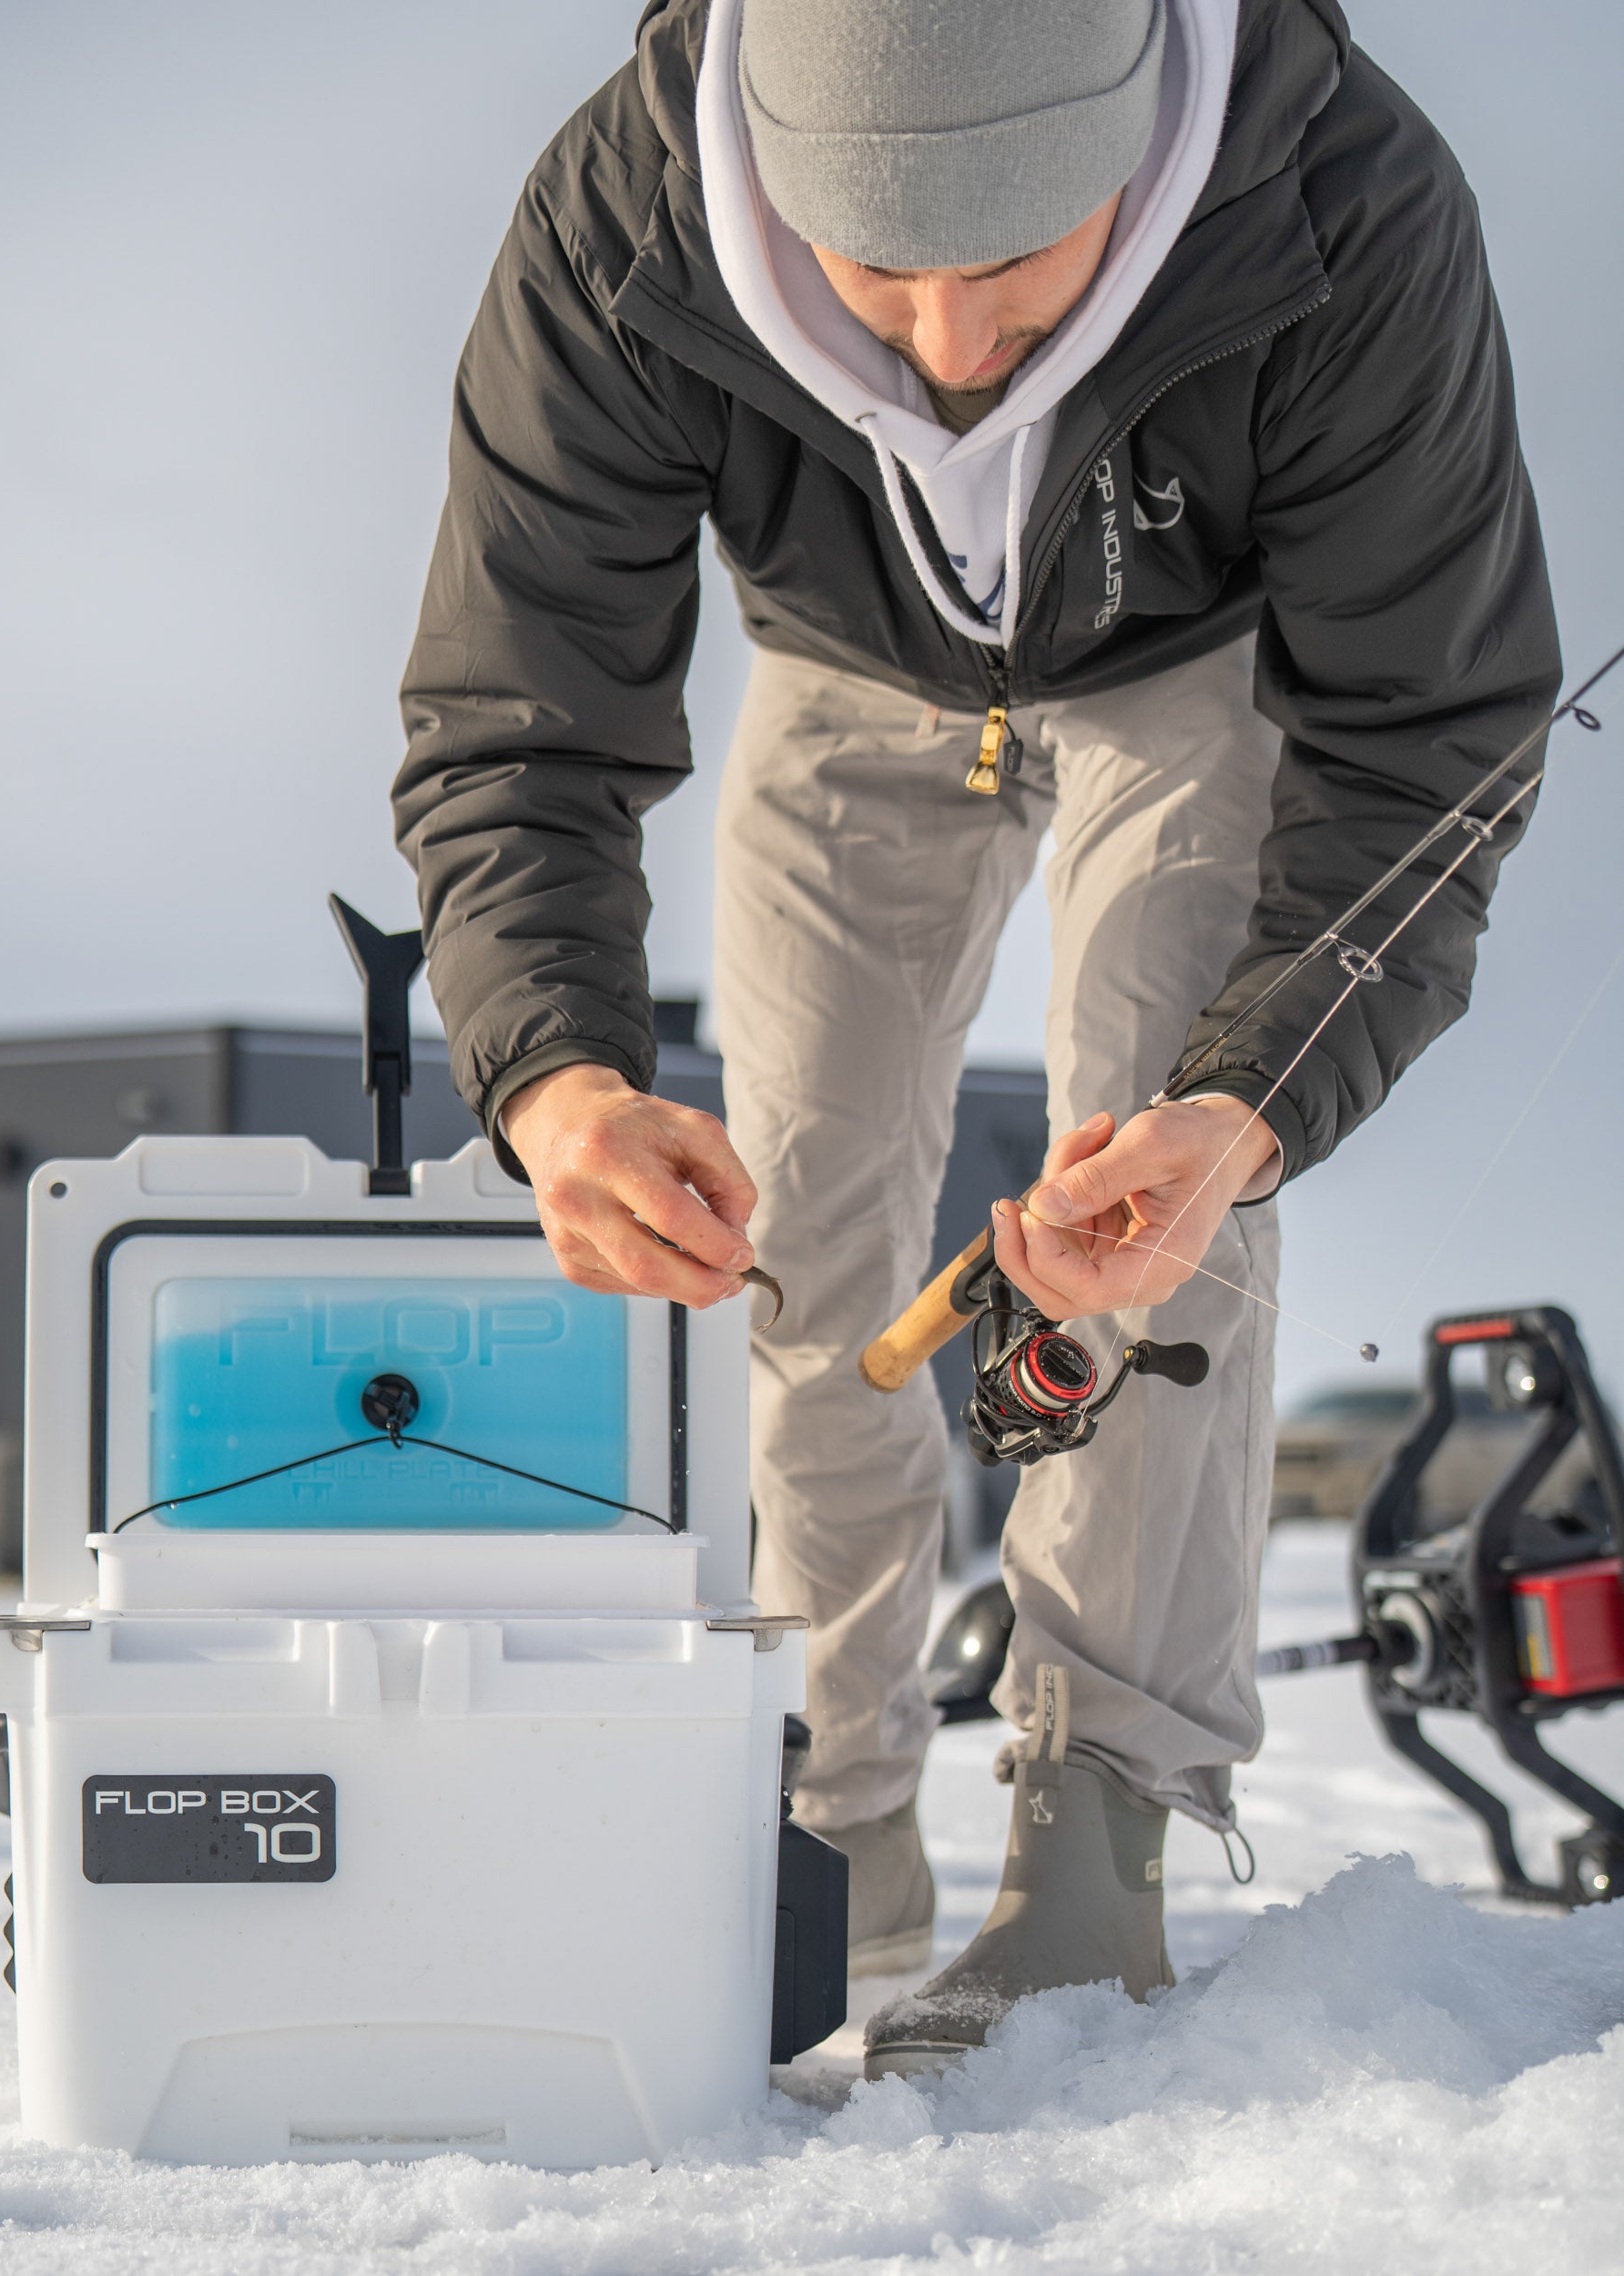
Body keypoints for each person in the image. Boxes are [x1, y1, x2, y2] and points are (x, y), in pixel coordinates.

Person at [391, 0, 1558, 2076]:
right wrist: (554, 1078)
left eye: (1015, 260)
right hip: (841, 676)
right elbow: (518, 718)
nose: (947, 345)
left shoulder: (1346, 200)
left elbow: (1424, 743)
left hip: (1196, 664)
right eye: (873, 270)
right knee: (787, 1216)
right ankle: (821, 1817)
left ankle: (1098, 1823)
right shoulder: (623, 213)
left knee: (1145, 1193)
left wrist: (1240, 1105)